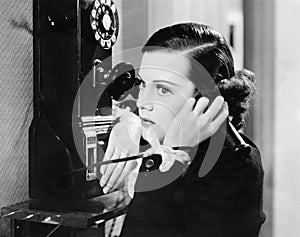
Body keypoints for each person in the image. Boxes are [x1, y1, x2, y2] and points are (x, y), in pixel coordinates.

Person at [100, 23, 265, 237]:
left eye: (163, 89)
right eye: (143, 84)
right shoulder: (167, 131)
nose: (142, 102)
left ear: (206, 98)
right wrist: (128, 124)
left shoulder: (236, 166)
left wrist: (174, 153)